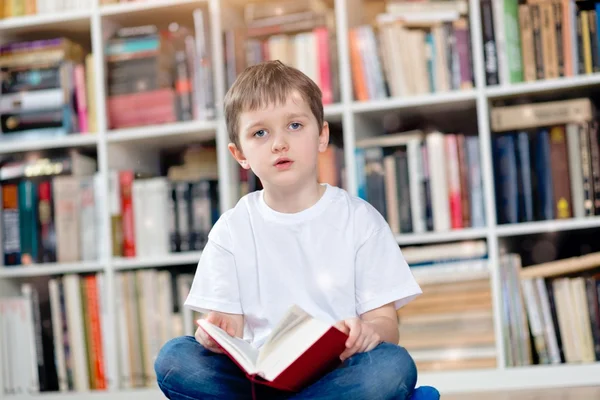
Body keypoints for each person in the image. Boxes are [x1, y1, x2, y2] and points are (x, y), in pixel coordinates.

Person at [154, 60, 423, 400]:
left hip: (339, 375)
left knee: (393, 365)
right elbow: (227, 327)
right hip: (260, 380)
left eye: (294, 125)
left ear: (322, 135)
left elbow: (386, 323)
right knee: (176, 359)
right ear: (240, 154)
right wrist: (216, 335)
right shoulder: (232, 229)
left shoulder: (360, 220)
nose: (279, 143)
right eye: (260, 133)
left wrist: (369, 333)